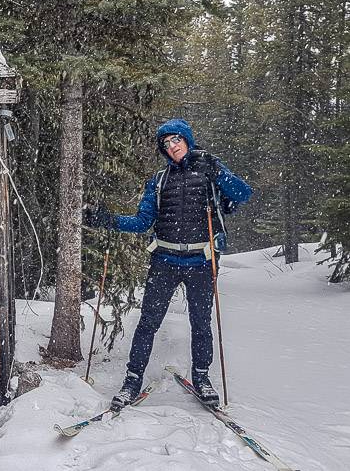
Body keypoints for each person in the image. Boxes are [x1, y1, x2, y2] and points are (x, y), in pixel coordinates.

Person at [83, 118, 252, 408]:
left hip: (202, 260)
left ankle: (201, 378)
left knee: (200, 323)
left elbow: (243, 193)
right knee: (148, 323)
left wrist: (217, 171)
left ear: (187, 139)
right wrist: (107, 220)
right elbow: (141, 222)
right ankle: (132, 380)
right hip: (164, 260)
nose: (172, 146)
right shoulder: (159, 181)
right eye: (166, 144)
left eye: (176, 140)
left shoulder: (211, 171)